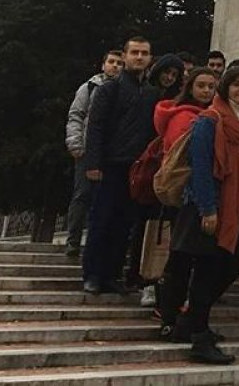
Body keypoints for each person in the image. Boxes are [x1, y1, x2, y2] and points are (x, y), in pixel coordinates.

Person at [161, 65, 239, 365]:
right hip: (210, 207)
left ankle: (191, 322)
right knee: (208, 271)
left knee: (232, 265)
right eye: (236, 84)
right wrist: (208, 209)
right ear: (225, 88)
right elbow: (200, 168)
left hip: (238, 208)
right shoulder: (209, 120)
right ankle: (198, 337)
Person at [81, 36, 157, 295]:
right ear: (125, 56)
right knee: (102, 220)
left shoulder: (150, 94)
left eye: (144, 53)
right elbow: (95, 128)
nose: (139, 57)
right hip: (109, 165)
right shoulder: (109, 89)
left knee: (124, 224)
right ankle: (92, 274)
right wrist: (93, 163)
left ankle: (112, 274)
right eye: (134, 52)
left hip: (135, 169)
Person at [154, 68, 217, 335]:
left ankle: (186, 316)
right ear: (190, 87)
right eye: (200, 85)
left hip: (199, 196)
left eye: (211, 86)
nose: (206, 91)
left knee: (194, 260)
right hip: (185, 196)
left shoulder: (212, 116)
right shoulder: (185, 118)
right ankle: (169, 317)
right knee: (180, 260)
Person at [129, 53, 186, 302]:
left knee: (162, 229)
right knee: (146, 227)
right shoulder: (151, 96)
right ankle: (141, 277)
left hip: (170, 173)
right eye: (167, 72)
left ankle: (155, 279)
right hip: (153, 167)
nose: (169, 78)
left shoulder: (176, 102)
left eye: (174, 75)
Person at [63, 49, 123, 258]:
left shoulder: (124, 90)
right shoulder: (89, 88)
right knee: (82, 195)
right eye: (112, 62)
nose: (115, 66)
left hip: (112, 153)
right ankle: (73, 240)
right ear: (103, 64)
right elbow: (76, 116)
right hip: (87, 151)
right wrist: (76, 144)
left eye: (119, 63)